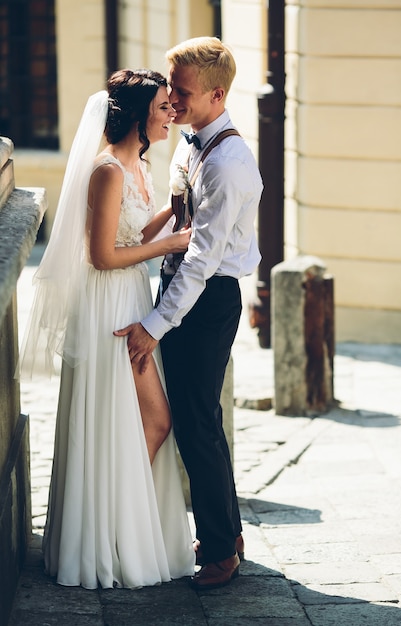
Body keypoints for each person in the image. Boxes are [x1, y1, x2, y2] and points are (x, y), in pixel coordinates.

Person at [19, 69, 195, 589]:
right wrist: (167, 246)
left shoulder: (135, 166)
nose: (172, 114)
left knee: (138, 420)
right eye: (164, 106)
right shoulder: (106, 171)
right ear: (141, 115)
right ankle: (113, 530)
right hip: (108, 307)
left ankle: (120, 524)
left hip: (131, 298)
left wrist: (173, 208)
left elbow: (131, 229)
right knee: (152, 420)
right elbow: (100, 254)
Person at [115, 38, 263, 590]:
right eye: (171, 89)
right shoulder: (189, 142)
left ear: (216, 94)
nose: (171, 100)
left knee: (198, 426)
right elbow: (176, 220)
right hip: (179, 289)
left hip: (208, 300)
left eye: (181, 91)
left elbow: (201, 260)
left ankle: (222, 549)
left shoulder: (228, 163)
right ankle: (229, 533)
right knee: (197, 424)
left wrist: (154, 326)